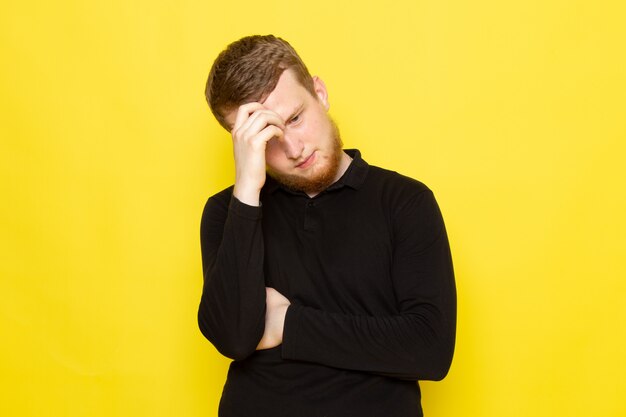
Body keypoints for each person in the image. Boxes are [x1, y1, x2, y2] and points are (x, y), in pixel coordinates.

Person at [198, 34, 456, 417]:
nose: (294, 149)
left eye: (296, 118)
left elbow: (429, 349)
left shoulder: (404, 201)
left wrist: (288, 323)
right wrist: (247, 188)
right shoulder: (230, 211)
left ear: (319, 92)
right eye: (266, 138)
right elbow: (234, 337)